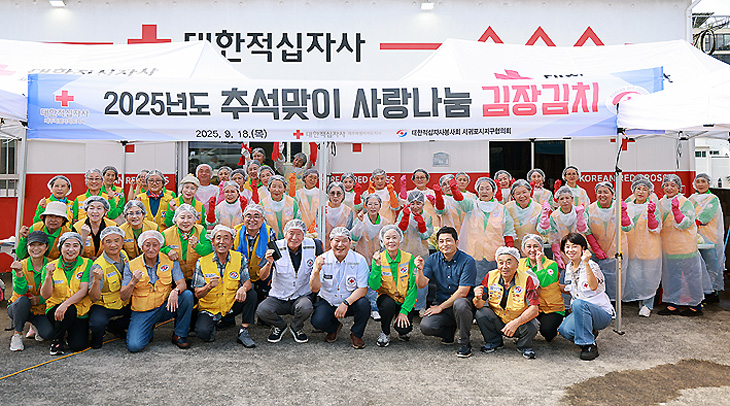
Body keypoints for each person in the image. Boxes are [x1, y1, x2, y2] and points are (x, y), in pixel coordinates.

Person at [121, 230, 194, 352]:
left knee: (186, 296)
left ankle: (179, 334)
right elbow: (123, 296)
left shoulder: (170, 260)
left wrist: (175, 291)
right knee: (134, 346)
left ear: (160, 246)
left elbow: (182, 284)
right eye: (147, 245)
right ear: (141, 247)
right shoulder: (131, 265)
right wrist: (132, 282)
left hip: (165, 307)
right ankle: (148, 329)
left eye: (155, 245)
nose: (151, 249)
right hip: (143, 311)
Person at [256, 219, 322, 343]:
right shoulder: (276, 247)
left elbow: (322, 265)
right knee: (262, 310)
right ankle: (280, 326)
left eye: (299, 234)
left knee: (306, 307)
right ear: (285, 234)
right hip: (279, 296)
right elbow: (262, 277)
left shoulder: (314, 245)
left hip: (301, 295)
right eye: (291, 233)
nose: (294, 238)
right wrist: (269, 264)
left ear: (304, 235)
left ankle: (297, 327)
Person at [192, 225, 257, 347]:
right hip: (210, 308)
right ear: (212, 241)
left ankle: (243, 331)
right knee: (203, 333)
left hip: (231, 304)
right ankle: (214, 324)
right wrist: (208, 287)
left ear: (232, 242)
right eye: (218, 238)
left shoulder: (239, 258)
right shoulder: (202, 262)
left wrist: (243, 288)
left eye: (226, 238)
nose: (222, 242)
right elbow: (197, 293)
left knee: (251, 293)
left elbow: (247, 282)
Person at [417, 227, 477, 358]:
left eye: (448, 240)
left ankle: (465, 342)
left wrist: (440, 307)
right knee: (426, 326)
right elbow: (421, 284)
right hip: (442, 302)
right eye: (441, 241)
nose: (445, 244)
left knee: (460, 304)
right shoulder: (433, 259)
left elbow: (463, 292)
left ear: (456, 242)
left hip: (464, 305)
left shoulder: (468, 261)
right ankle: (448, 332)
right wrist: (419, 270)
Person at [473, 246, 539, 359]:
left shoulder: (526, 279)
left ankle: (524, 346)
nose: (504, 266)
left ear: (517, 264)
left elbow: (534, 309)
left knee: (533, 324)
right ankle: (494, 342)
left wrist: (516, 323)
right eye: (501, 262)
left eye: (509, 262)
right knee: (481, 313)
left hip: (518, 323)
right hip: (498, 320)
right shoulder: (490, 276)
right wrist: (477, 297)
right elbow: (479, 305)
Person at [557, 233, 615, 361]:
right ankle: (589, 333)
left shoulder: (591, 265)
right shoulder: (569, 267)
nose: (570, 250)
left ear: (583, 248)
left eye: (574, 246)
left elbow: (593, 286)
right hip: (582, 311)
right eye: (567, 246)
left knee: (578, 304)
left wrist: (586, 263)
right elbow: (572, 290)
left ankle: (589, 345)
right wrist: (550, 285)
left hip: (601, 313)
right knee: (564, 330)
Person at [310, 227, 370, 349]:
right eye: (336, 240)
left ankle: (356, 334)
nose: (340, 245)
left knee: (364, 304)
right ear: (330, 242)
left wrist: (346, 303)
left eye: (344, 241)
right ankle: (334, 327)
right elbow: (314, 289)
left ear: (350, 242)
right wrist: (317, 270)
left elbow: (362, 289)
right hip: (328, 300)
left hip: (350, 301)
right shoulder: (322, 259)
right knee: (317, 321)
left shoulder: (359, 260)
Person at [656, 174, 707, 316]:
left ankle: (695, 305)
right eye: (666, 185)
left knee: (691, 276)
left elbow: (687, 223)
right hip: (668, 247)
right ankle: (673, 303)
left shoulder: (685, 202)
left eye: (673, 185)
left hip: (685, 247)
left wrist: (677, 212)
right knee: (672, 275)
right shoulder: (661, 203)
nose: (669, 188)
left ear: (678, 187)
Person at [453, 177, 516, 284]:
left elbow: (508, 231)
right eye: (481, 189)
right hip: (474, 253)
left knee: (495, 284)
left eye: (487, 189)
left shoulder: (501, 209)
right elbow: (461, 201)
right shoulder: (471, 206)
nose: (484, 191)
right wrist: (455, 190)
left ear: (493, 191)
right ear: (477, 191)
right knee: (475, 285)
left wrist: (509, 251)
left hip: (495, 255)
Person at [39, 232, 93, 355]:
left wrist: (65, 304)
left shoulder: (87, 263)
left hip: (79, 310)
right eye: (67, 245)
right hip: (55, 309)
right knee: (68, 310)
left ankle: (69, 331)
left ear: (80, 248)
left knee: (79, 346)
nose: (71, 249)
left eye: (75, 246)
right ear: (60, 247)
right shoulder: (50, 266)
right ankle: (57, 341)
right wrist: (48, 276)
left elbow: (83, 290)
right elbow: (45, 295)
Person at [369, 225, 422, 347]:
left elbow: (413, 287)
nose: (391, 241)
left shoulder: (409, 258)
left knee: (404, 329)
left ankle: (401, 329)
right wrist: (377, 266)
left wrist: (404, 311)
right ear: (382, 241)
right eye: (387, 238)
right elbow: (374, 286)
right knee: (387, 305)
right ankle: (385, 332)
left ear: (400, 239)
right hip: (387, 298)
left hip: (404, 299)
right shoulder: (378, 258)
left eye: (394, 237)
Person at [585, 182, 632, 302]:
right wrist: (596, 248)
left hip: (617, 250)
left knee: (615, 279)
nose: (602, 195)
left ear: (612, 194)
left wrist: (624, 214)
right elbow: (586, 230)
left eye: (606, 192)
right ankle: (598, 303)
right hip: (595, 251)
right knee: (597, 277)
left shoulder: (619, 206)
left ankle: (614, 303)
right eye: (599, 192)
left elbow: (628, 228)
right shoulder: (590, 209)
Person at [8, 231, 54, 351]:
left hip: (40, 309)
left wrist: (41, 299)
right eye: (32, 245)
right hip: (18, 307)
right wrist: (19, 274)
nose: (36, 248)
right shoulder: (20, 265)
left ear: (46, 247)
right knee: (23, 301)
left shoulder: (52, 265)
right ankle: (17, 334)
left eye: (40, 244)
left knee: (48, 334)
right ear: (27, 247)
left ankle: (35, 325)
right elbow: (20, 290)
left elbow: (56, 291)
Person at [623, 177, 662, 317]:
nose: (641, 192)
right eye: (638, 189)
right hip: (631, 248)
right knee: (635, 276)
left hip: (649, 249)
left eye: (644, 189)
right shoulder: (627, 206)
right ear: (633, 190)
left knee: (649, 277)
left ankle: (647, 305)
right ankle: (639, 299)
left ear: (649, 193)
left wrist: (651, 215)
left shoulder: (652, 207)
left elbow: (656, 228)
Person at [88, 227, 131, 349]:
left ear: (122, 242)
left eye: (117, 241)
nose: (113, 245)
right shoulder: (98, 266)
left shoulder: (124, 255)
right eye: (108, 241)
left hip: (123, 301)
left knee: (144, 312)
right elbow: (93, 297)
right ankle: (97, 336)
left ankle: (115, 326)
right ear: (102, 244)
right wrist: (96, 280)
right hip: (104, 305)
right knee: (98, 324)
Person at [351, 193, 390, 320]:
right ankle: (360, 308)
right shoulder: (360, 219)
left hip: (378, 258)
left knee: (374, 283)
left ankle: (374, 308)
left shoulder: (385, 222)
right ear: (366, 206)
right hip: (362, 256)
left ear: (380, 206)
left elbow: (388, 241)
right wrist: (359, 222)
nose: (373, 207)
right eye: (370, 204)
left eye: (375, 204)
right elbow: (354, 237)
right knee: (361, 283)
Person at [518, 234, 564, 342]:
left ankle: (553, 328)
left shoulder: (551, 264)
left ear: (541, 248)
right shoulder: (520, 263)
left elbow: (543, 283)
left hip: (550, 307)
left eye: (536, 246)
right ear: (524, 249)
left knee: (547, 332)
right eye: (528, 246)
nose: (532, 250)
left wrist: (539, 261)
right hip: (529, 306)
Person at [395, 190, 434, 315]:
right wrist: (405, 218)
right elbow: (398, 232)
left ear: (423, 204)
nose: (415, 206)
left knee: (421, 279)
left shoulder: (427, 216)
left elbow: (426, 235)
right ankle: (404, 305)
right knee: (404, 279)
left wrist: (421, 224)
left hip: (421, 252)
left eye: (418, 203)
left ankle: (421, 306)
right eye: (412, 203)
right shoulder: (403, 213)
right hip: (404, 252)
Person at [690, 173, 725, 303]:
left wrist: (691, 222)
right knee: (698, 265)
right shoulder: (692, 198)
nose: (700, 184)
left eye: (703, 181)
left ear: (708, 183)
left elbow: (705, 216)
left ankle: (712, 291)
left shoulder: (713, 199)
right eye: (698, 181)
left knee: (711, 264)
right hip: (695, 236)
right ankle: (701, 290)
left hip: (710, 237)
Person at [234, 204, 278, 303]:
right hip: (241, 272)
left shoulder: (269, 232)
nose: (252, 220)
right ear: (243, 218)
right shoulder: (235, 232)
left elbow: (275, 256)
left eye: (256, 216)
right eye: (248, 216)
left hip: (262, 271)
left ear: (262, 219)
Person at [537, 186, 589, 269]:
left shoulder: (580, 211)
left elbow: (583, 229)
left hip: (580, 248)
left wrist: (580, 215)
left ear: (572, 199)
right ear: (558, 201)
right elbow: (554, 237)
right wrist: (557, 256)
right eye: (561, 199)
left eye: (567, 198)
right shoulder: (554, 216)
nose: (565, 201)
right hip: (564, 251)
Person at [162, 204, 213, 285]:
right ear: (175, 219)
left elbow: (208, 250)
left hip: (196, 276)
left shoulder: (200, 230)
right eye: (182, 217)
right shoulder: (166, 233)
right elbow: (158, 248)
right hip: (173, 278)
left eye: (189, 217)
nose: (186, 221)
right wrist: (167, 250)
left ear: (194, 219)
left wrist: (197, 246)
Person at [74, 196, 116, 260]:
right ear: (86, 210)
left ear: (105, 211)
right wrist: (83, 237)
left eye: (99, 208)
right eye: (91, 208)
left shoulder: (112, 226)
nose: (95, 211)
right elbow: (75, 254)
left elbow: (116, 250)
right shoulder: (77, 227)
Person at [315, 181, 355, 246]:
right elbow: (317, 229)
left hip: (341, 246)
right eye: (332, 193)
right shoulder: (321, 209)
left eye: (338, 194)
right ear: (328, 195)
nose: (335, 196)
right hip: (324, 245)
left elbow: (348, 232)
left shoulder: (348, 211)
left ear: (343, 195)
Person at [505, 179, 541, 249]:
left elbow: (543, 230)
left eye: (524, 192)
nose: (522, 196)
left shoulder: (538, 208)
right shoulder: (508, 207)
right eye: (518, 194)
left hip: (533, 248)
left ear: (529, 192)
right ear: (513, 196)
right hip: (514, 247)